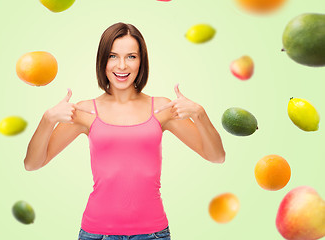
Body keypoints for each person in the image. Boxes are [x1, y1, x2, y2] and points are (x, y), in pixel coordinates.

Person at [23, 22, 225, 240]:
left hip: (153, 234)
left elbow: (216, 156)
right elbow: (33, 163)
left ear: (141, 61)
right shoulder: (84, 111)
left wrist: (200, 114)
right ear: (102, 60)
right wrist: (47, 120)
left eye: (131, 56)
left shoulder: (162, 108)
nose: (122, 66)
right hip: (96, 233)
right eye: (113, 56)